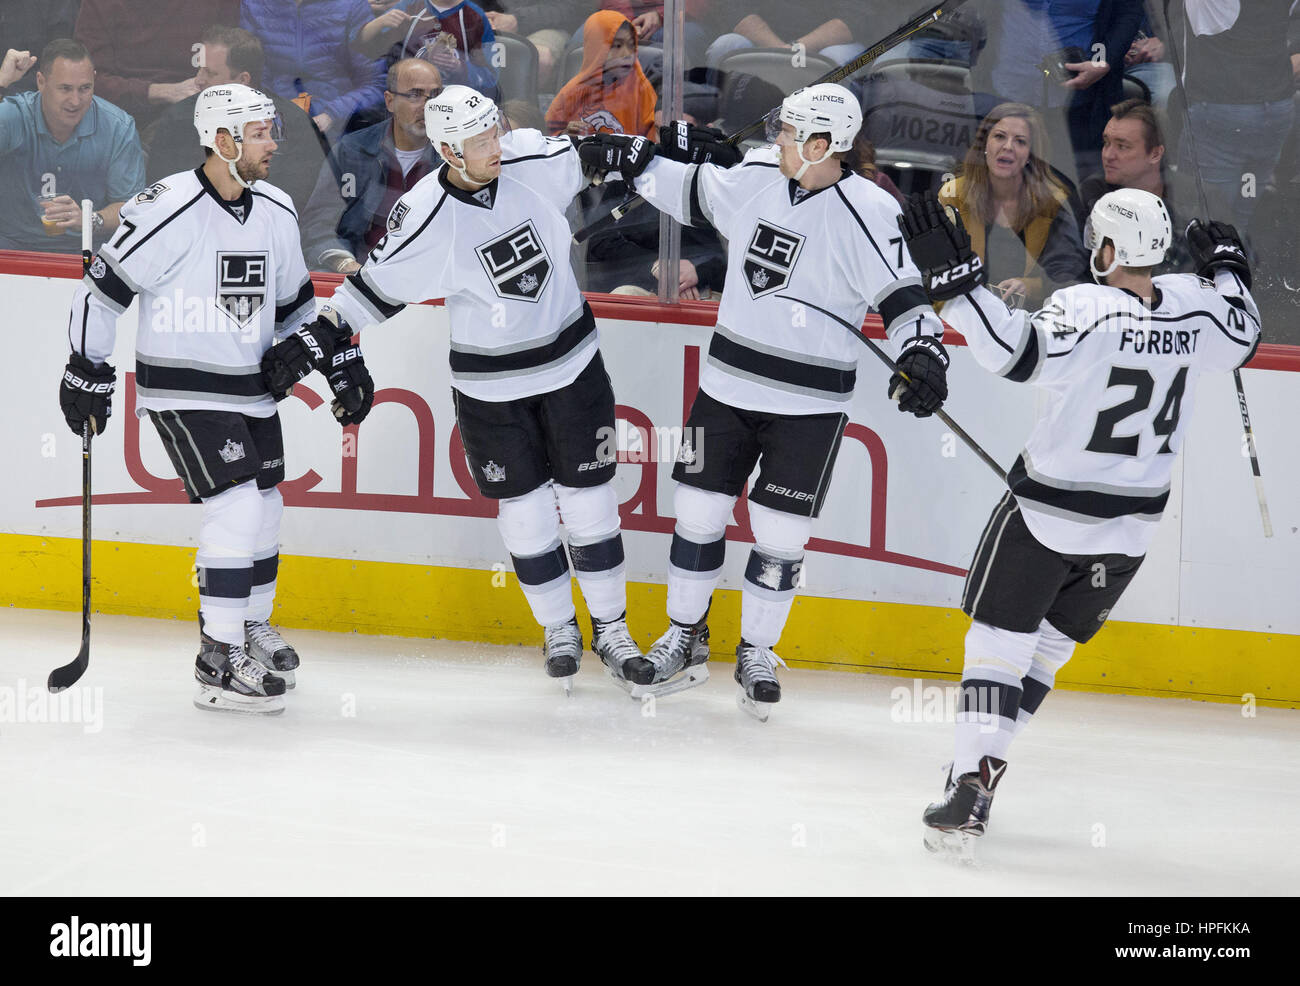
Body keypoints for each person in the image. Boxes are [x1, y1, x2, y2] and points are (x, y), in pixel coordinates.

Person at [897, 187, 1260, 856]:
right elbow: (1243, 332)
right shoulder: (1196, 305)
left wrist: (956, 286)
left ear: (1110, 249)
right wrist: (1229, 267)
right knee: (1046, 654)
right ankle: (980, 775)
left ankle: (970, 782)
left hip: (1048, 517)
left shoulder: (1086, 308)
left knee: (996, 648)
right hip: (1131, 532)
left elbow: (1014, 353)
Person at [578, 84, 950, 717]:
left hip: (809, 406)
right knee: (696, 515)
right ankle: (685, 637)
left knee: (780, 535)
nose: (774, 140)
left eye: (788, 133)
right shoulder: (754, 176)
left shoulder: (872, 212)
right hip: (725, 389)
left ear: (821, 146)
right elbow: (688, 188)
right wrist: (635, 156)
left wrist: (924, 353)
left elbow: (906, 301)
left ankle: (756, 649)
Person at [264, 85, 646, 692]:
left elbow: (605, 155)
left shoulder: (528, 157)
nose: (495, 145)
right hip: (491, 388)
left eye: (495, 131)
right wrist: (316, 341)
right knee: (523, 513)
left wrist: (654, 150)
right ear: (447, 149)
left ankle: (613, 628)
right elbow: (370, 292)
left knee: (590, 502)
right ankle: (558, 628)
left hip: (574, 369)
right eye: (479, 140)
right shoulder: (422, 214)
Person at [57, 84, 371, 715]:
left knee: (266, 503)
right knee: (234, 505)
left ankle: (250, 626)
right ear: (221, 140)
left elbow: (295, 308)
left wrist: (339, 361)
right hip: (182, 386)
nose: (273, 144)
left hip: (254, 389)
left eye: (272, 131)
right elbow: (101, 293)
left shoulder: (278, 210)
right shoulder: (166, 208)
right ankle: (217, 656)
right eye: (259, 133)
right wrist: (86, 370)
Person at [147, 26, 329, 219]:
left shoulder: (295, 124)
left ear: (243, 80)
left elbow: (298, 201)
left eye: (210, 73)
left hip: (266, 227)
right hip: (191, 226)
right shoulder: (179, 119)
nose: (198, 80)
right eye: (199, 69)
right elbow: (162, 194)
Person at [0, 39, 144, 252]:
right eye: (65, 89)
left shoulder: (117, 128)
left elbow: (131, 206)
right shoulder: (14, 116)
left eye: (85, 88)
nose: (75, 101)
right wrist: (2, 81)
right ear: (41, 82)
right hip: (11, 247)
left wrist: (90, 220)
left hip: (86, 249)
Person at [938, 103, 1086, 310]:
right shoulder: (954, 196)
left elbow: (1070, 277)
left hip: (1028, 323)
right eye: (999, 136)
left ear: (1030, 155)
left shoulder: (1050, 203)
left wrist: (1031, 287)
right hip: (963, 319)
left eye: (1020, 141)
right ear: (984, 145)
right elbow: (935, 270)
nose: (1008, 146)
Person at [301, 58, 442, 273]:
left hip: (429, 279)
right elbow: (317, 225)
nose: (427, 105)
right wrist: (346, 264)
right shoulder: (352, 150)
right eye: (415, 95)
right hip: (359, 273)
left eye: (435, 96)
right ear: (389, 101)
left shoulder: (452, 155)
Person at [74, 0, 241, 135]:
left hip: (203, 113)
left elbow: (234, 63)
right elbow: (85, 82)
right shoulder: (102, 5)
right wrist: (161, 91)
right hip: (125, 120)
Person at [240, 0, 386, 139]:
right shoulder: (255, 5)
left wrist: (332, 115)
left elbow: (376, 83)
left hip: (338, 125)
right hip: (277, 122)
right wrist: (273, 113)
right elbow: (253, 76)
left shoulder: (351, 5)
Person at [1078, 98, 1189, 273]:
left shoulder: (1194, 200)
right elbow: (1076, 269)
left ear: (1155, 154)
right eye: (1106, 143)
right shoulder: (1093, 195)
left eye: (1122, 146)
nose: (1108, 155)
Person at [350, 0, 500, 101]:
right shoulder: (409, 6)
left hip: (455, 101)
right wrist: (379, 23)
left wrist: (460, 68)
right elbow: (356, 46)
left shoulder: (476, 17)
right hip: (405, 97)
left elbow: (491, 77)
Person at [546, 11, 655, 137]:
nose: (627, 54)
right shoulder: (571, 93)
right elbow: (549, 141)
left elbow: (652, 145)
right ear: (596, 48)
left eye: (631, 45)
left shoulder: (641, 91)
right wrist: (565, 135)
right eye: (617, 46)